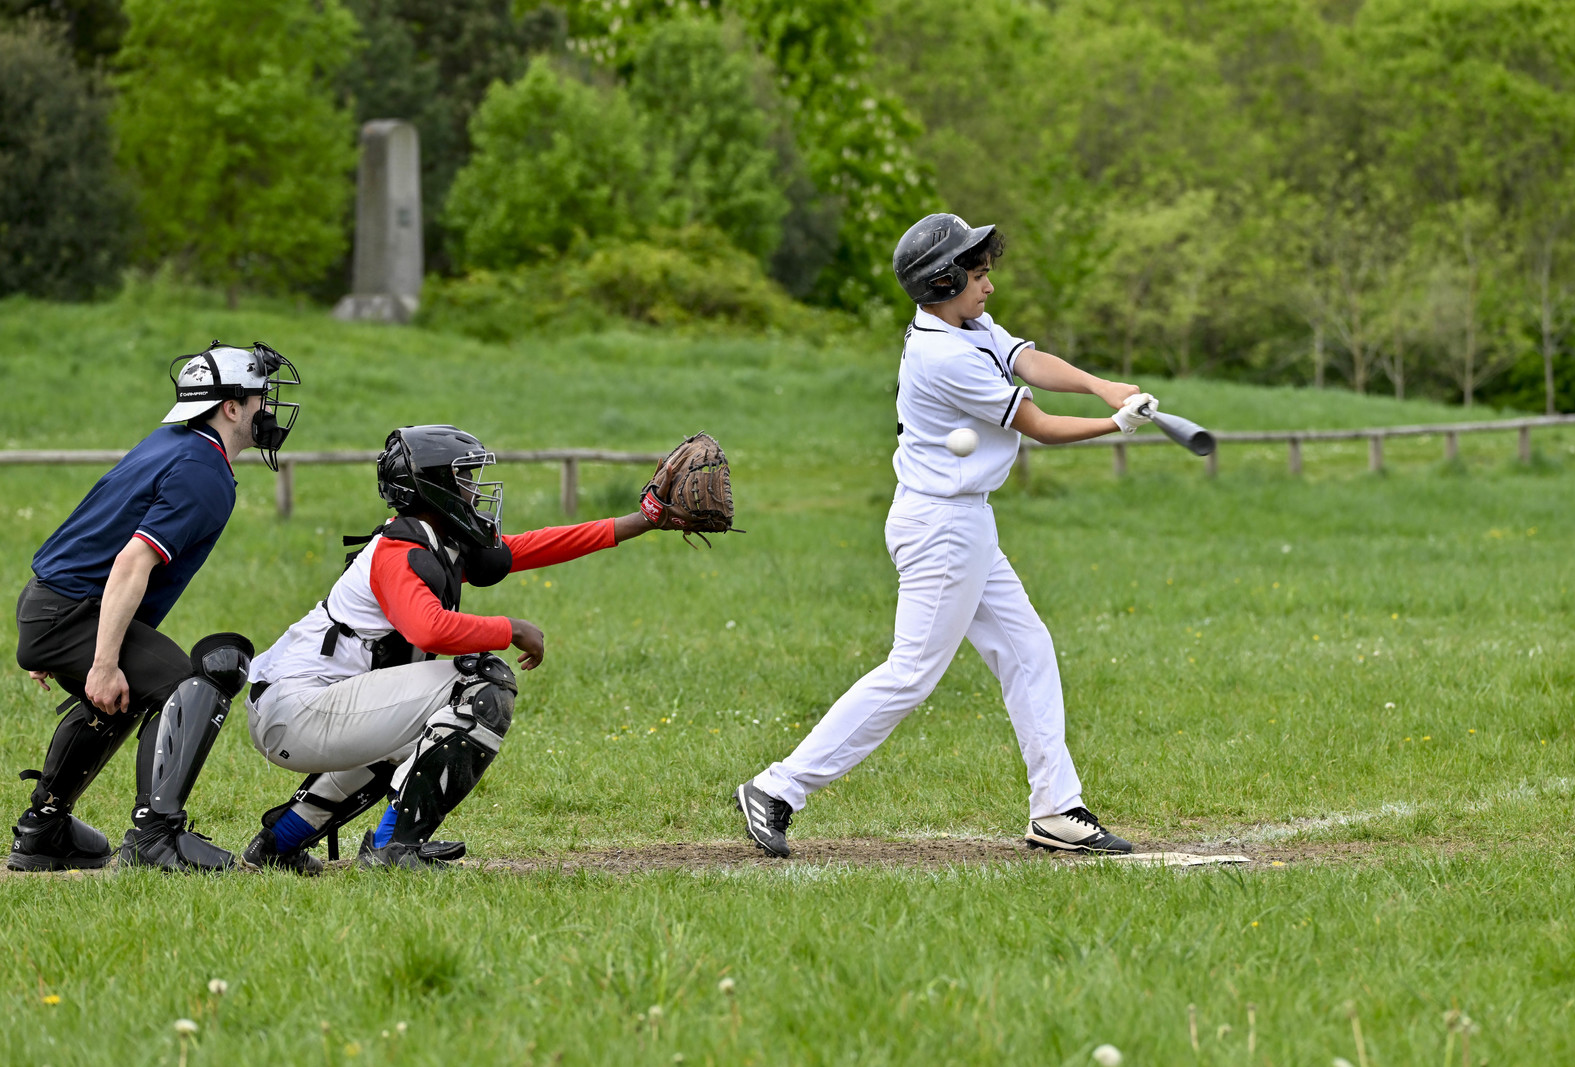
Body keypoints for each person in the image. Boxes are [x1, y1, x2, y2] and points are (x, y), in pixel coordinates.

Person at [734, 213, 1158, 858]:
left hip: (966, 522)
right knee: (911, 674)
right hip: (941, 526)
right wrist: (1114, 426)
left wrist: (1102, 386)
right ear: (944, 279)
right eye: (978, 274)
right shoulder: (941, 355)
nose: (988, 286)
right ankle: (777, 787)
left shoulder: (966, 326)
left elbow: (1027, 359)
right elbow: (1037, 425)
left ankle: (1056, 809)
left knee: (1028, 650)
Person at [239, 424, 680, 873]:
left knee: (423, 731)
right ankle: (394, 848)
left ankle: (278, 844)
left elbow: (530, 547)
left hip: (299, 708)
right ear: (434, 485)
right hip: (296, 709)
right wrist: (511, 628)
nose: (475, 489)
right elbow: (428, 630)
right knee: (481, 685)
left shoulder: (430, 540)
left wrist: (640, 522)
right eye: (465, 478)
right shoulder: (397, 551)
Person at [9, 341, 301, 872]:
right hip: (68, 610)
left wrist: (84, 646)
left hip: (53, 604)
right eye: (261, 397)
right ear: (231, 408)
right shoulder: (203, 471)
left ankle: (44, 831)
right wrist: (98, 659)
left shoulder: (173, 442)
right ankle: (156, 838)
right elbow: (130, 563)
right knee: (194, 680)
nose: (269, 410)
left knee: (126, 687)